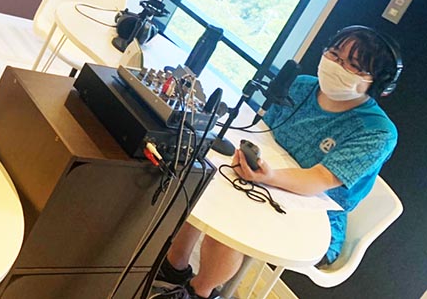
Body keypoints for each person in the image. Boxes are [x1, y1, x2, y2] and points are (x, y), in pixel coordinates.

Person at [156, 25, 400, 299]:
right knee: (204, 179)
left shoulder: (377, 132)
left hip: (317, 217)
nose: (337, 66)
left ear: (379, 84)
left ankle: (199, 291)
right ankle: (174, 267)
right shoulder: (302, 86)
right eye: (334, 54)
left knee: (236, 220)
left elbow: (320, 179)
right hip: (269, 180)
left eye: (353, 65)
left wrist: (267, 177)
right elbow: (264, 135)